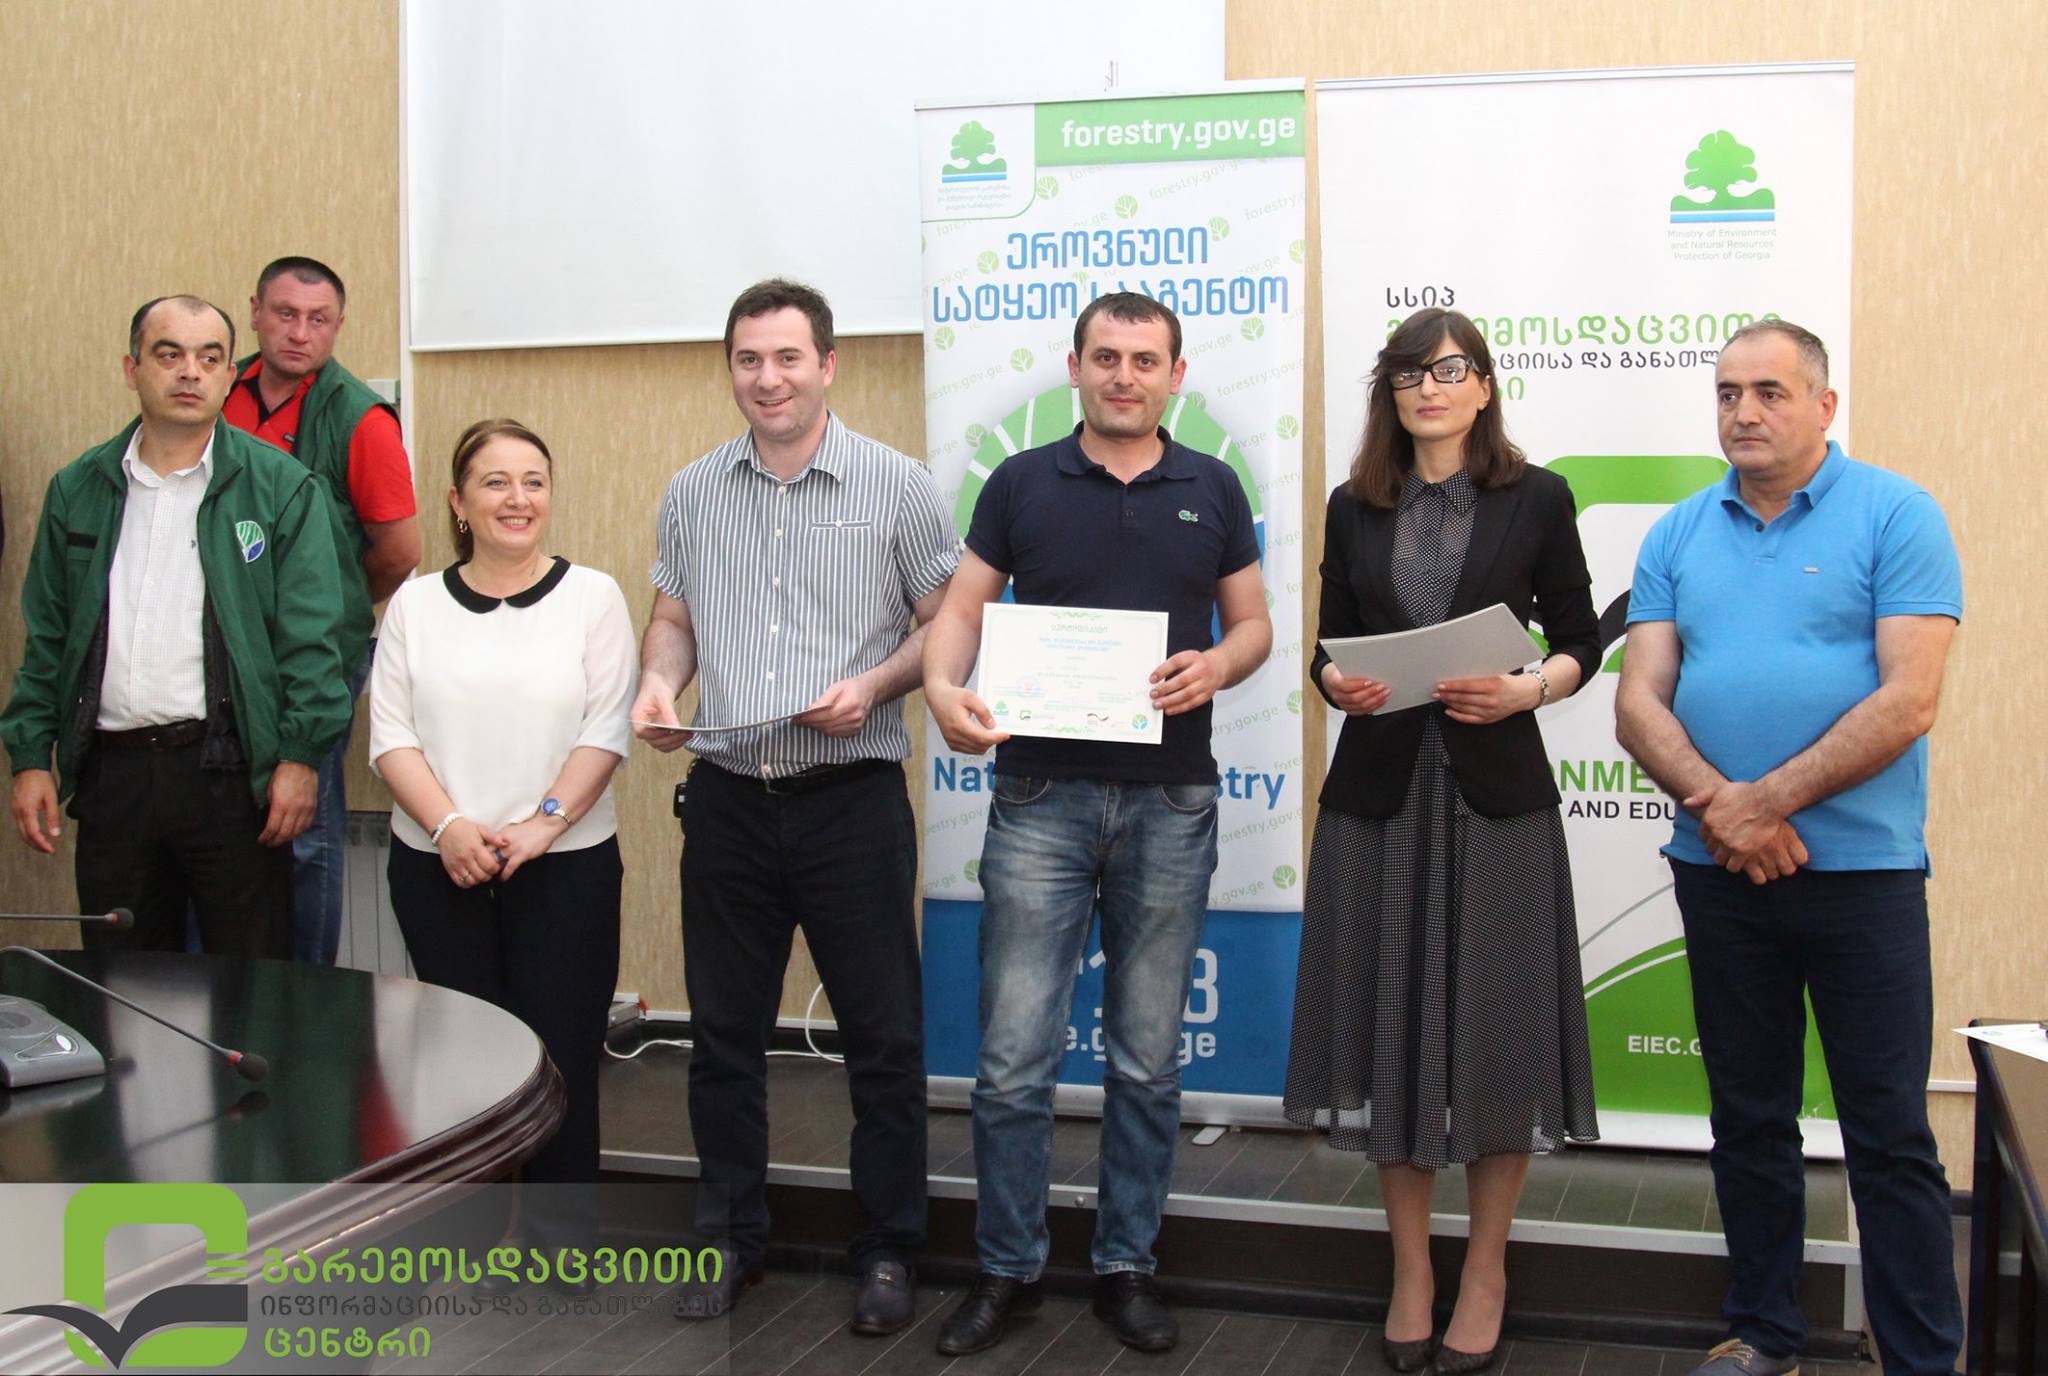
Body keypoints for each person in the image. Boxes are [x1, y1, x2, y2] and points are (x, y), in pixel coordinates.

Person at [922, 291, 1273, 1357]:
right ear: (1073, 367)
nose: (1125, 376)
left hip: (1171, 801)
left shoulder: (1212, 485)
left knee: (1147, 1062)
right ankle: (1006, 1268)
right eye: (1106, 357)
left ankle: (1126, 1265)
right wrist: (940, 687)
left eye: (1145, 360)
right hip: (1039, 799)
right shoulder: (1020, 481)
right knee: (1012, 1061)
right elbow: (963, 607)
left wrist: (1218, 663)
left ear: (1176, 374)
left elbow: (1253, 624)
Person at [1615, 320, 1963, 1376]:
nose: (1744, 412)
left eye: (1769, 391)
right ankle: (1765, 1331)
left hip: (1862, 877)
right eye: (1728, 393)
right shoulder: (1677, 532)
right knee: (1748, 1117)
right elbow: (1637, 704)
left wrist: (1760, 802)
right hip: (1719, 875)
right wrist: (1725, 814)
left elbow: (1908, 699)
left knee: (1888, 1132)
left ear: (1823, 404)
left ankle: (1919, 1357)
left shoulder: (1897, 514)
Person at [631, 279, 958, 1336]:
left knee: (882, 1037)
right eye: (747, 359)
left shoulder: (897, 485)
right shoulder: (693, 490)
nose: (766, 378)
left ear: (827, 364)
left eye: (786, 357)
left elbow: (946, 625)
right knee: (723, 1038)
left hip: (849, 800)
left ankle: (889, 1248)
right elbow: (673, 617)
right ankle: (730, 1237)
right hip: (728, 800)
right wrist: (657, 684)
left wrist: (875, 685)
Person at [1282, 308, 1601, 1374]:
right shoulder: (1354, 504)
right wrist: (1334, 680)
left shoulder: (1536, 496)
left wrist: (1529, 688)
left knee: (1497, 1036)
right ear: (1391, 392)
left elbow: (1580, 636)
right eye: (1410, 373)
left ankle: (1487, 1270)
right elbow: (1325, 647)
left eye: (1450, 369)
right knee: (1392, 1035)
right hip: (1377, 799)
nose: (1430, 387)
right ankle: (1412, 1270)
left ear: (1483, 386)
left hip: (1493, 799)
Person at [2, 296, 349, 954]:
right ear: (131, 368)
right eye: (170, 354)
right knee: (124, 987)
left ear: (228, 375)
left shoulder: (282, 488)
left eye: (210, 358)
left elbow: (312, 643)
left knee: (251, 987)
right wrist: (29, 758)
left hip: (233, 778)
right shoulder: (78, 488)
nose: (191, 371)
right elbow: (47, 638)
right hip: (113, 781)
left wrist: (300, 757)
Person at [368, 418, 634, 1257]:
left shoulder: (593, 597)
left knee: (562, 1059)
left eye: (534, 481)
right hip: (438, 867)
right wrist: (449, 826)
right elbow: (390, 737)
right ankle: (467, 1238)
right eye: (495, 482)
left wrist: (541, 825)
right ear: (458, 502)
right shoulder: (414, 605)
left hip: (567, 868)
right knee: (459, 1064)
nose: (518, 499)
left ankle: (559, 1243)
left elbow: (606, 729)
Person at [225, 255, 421, 967]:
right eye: (285, 314)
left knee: (307, 833)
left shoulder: (360, 418)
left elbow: (399, 552)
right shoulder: (217, 391)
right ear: (255, 312)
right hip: (223, 653)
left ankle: (310, 993)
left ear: (338, 326)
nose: (299, 333)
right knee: (223, 829)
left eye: (318, 319)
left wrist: (324, 604)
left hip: (316, 656)